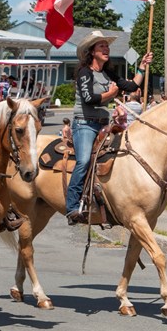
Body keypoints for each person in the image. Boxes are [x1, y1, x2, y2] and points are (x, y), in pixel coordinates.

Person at [66, 31, 150, 225]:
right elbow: (89, 99)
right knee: (84, 161)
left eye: (107, 46)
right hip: (85, 124)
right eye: (101, 46)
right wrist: (111, 93)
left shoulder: (107, 72)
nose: (106, 49)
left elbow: (130, 86)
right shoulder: (85, 73)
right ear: (92, 51)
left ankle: (113, 201)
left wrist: (143, 67)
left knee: (123, 156)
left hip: (104, 124)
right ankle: (72, 206)